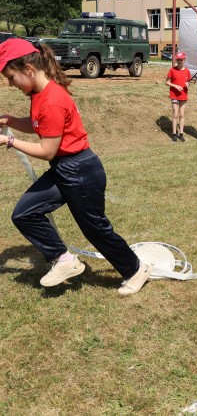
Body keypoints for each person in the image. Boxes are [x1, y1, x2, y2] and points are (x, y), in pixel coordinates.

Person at [0, 39, 151, 295]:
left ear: (27, 69)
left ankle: (136, 269)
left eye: (11, 77)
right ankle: (65, 260)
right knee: (24, 214)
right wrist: (13, 121)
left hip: (80, 171)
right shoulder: (39, 94)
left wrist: (10, 140)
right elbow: (40, 125)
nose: (10, 84)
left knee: (96, 229)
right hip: (64, 168)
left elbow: (47, 150)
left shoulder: (51, 100)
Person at [165, 51, 191, 142]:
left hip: (183, 95)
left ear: (184, 60)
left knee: (182, 114)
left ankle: (181, 133)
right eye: (178, 60)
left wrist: (188, 84)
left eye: (181, 60)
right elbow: (167, 82)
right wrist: (175, 86)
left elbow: (188, 82)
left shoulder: (187, 71)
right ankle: (174, 133)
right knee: (175, 114)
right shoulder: (172, 70)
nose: (180, 62)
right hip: (174, 95)